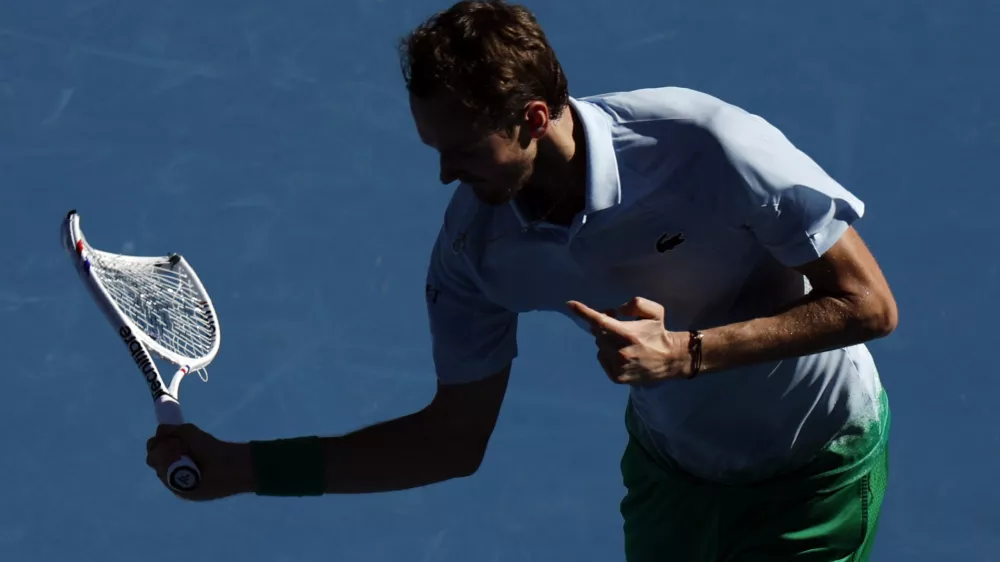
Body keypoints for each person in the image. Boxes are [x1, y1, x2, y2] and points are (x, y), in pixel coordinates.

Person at [146, 1, 898, 559]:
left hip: (814, 467)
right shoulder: (476, 248)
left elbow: (868, 305)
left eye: (465, 150)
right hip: (677, 478)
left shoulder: (704, 145)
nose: (446, 173)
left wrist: (686, 354)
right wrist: (246, 470)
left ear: (533, 118)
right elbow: (450, 441)